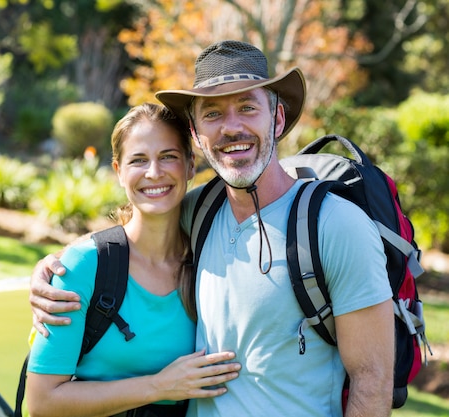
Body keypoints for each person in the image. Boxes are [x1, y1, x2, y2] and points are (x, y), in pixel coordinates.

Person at [29, 41, 394, 417]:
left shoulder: (335, 224)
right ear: (196, 132)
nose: (231, 128)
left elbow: (372, 382)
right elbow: (135, 232)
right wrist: (53, 267)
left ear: (278, 119)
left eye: (248, 108)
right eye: (213, 113)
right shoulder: (200, 210)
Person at [24, 103, 241, 417]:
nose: (154, 172)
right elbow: (43, 402)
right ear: (118, 172)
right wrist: (160, 386)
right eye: (138, 160)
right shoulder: (84, 266)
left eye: (168, 156)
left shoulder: (210, 257)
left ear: (190, 165)